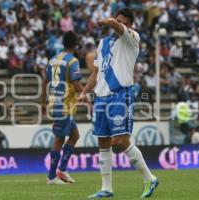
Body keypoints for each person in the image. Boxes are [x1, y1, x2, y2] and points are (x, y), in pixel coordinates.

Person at [78, 8, 158, 198]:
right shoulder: (103, 43)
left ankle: (150, 178)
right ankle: (107, 188)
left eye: (122, 21)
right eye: (117, 20)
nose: (118, 23)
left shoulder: (132, 38)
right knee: (103, 141)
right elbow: (96, 73)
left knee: (121, 141)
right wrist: (84, 92)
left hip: (120, 95)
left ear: (129, 24)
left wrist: (107, 20)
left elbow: (114, 24)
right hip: (100, 97)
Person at [41, 31, 83, 185]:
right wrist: (87, 95)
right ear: (76, 44)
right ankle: (51, 177)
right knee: (59, 139)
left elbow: (44, 81)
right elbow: (76, 83)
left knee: (75, 135)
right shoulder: (72, 61)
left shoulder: (53, 59)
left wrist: (42, 103)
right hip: (63, 105)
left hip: (56, 103)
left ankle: (62, 170)